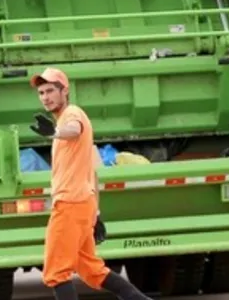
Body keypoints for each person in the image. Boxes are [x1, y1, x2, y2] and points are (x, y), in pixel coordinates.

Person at [28, 67, 152, 300]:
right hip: (82, 204)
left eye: (51, 91)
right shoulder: (69, 119)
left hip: (69, 204)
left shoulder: (72, 114)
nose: (45, 97)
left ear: (65, 91)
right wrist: (95, 211)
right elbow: (93, 170)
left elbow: (73, 130)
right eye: (41, 92)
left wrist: (55, 132)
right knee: (92, 271)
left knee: (56, 272)